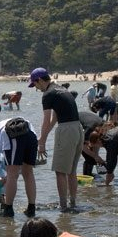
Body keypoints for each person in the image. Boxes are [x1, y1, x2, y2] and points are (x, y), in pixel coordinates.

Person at [29, 67, 84, 212]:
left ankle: (63, 206)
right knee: (71, 171)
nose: (36, 88)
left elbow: (46, 120)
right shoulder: (61, 89)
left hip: (66, 130)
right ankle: (72, 203)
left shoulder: (48, 94)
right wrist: (43, 138)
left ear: (39, 80)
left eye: (34, 84)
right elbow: (55, 118)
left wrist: (41, 144)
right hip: (78, 129)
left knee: (60, 171)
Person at [0, 117, 38, 218]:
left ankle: (8, 210)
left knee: (11, 174)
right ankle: (31, 209)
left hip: (13, 135)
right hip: (31, 134)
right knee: (28, 173)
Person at [78, 111, 106, 177]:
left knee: (92, 157)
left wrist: (96, 155)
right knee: (89, 157)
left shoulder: (104, 127)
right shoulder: (89, 129)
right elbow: (81, 145)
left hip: (88, 121)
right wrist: (95, 156)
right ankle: (86, 176)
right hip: (73, 122)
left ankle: (88, 175)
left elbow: (96, 143)